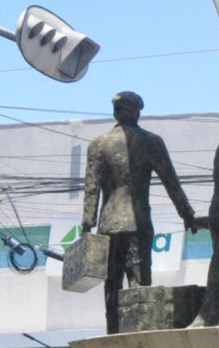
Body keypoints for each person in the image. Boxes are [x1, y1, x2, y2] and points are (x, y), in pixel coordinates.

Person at [82, 91, 207, 333]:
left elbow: (91, 189)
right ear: (137, 112)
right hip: (138, 224)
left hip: (108, 226)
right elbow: (171, 182)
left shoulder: (98, 144)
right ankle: (140, 334)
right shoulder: (151, 142)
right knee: (139, 283)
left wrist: (87, 225)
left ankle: (113, 334)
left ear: (115, 112)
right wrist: (187, 215)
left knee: (112, 287)